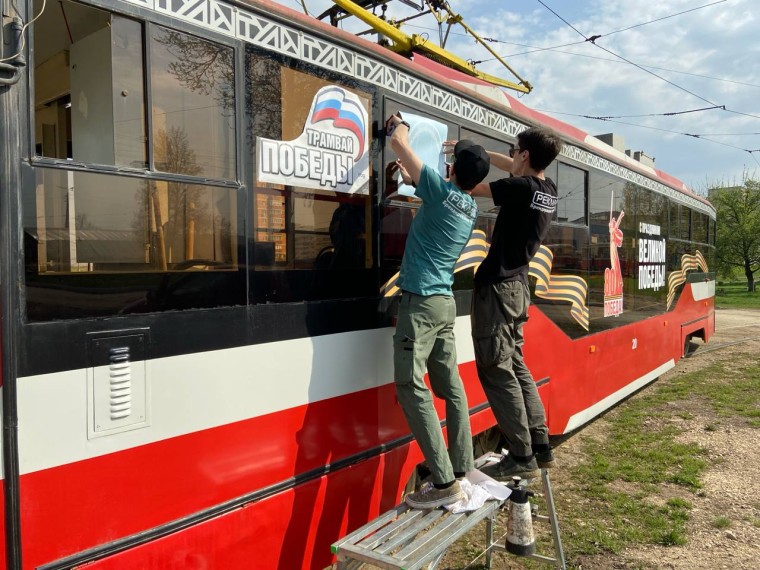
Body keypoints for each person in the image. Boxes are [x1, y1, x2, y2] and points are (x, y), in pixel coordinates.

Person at [386, 113, 490, 509]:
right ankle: (462, 467)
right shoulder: (468, 207)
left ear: (451, 169)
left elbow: (399, 142)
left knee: (411, 387)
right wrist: (413, 178)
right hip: (443, 304)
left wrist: (400, 122)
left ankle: (444, 482)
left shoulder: (440, 190)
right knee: (451, 387)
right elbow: (434, 203)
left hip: (421, 305)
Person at [467, 126, 563, 481]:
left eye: (514, 149)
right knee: (517, 364)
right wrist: (483, 151)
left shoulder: (520, 188)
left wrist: (466, 161)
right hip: (518, 288)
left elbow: (471, 186)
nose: (510, 155)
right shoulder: (547, 190)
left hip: (497, 288)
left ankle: (521, 455)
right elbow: (512, 166)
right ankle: (540, 445)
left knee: (496, 368)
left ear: (524, 154)